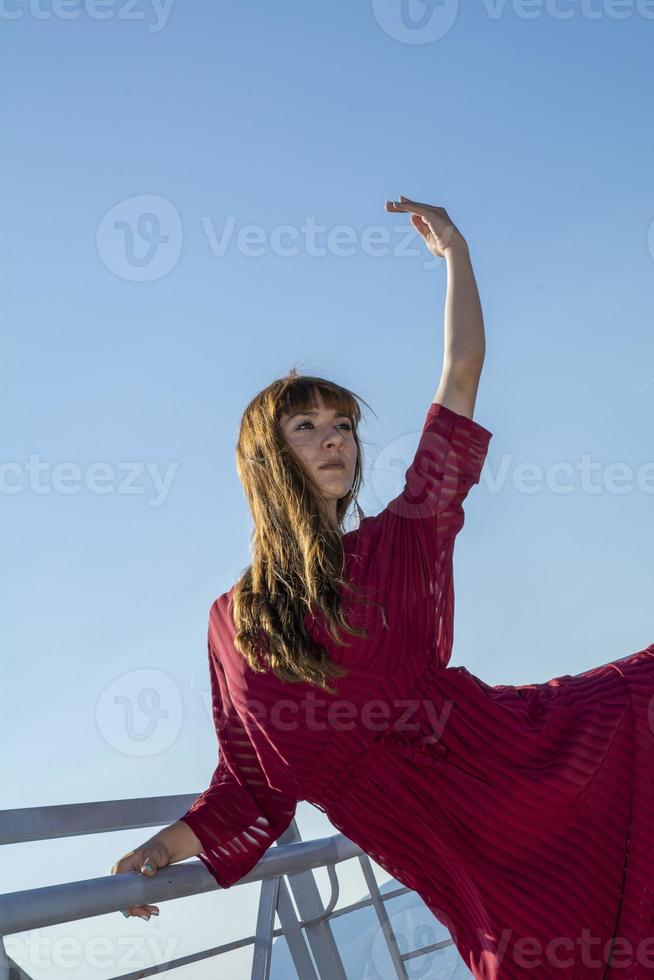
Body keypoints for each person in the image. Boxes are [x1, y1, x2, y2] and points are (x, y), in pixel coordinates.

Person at [111, 198, 654, 979]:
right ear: (265, 462)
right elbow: (250, 785)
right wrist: (160, 849)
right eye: (306, 426)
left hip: (533, 769)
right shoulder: (235, 624)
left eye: (342, 423)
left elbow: (460, 373)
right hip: (464, 861)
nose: (333, 436)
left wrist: (457, 254)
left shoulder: (404, 537)